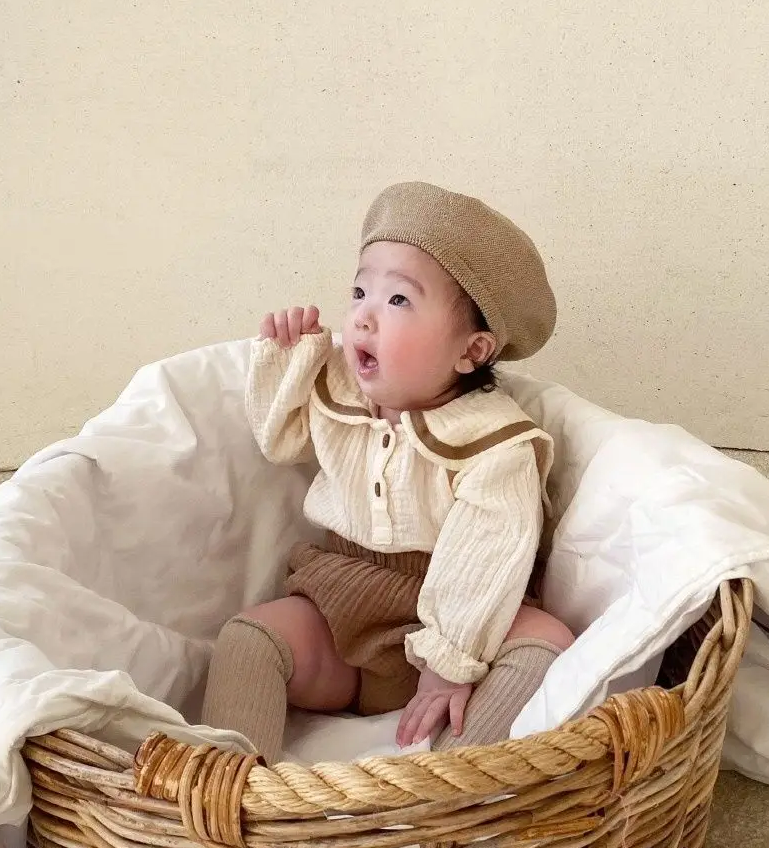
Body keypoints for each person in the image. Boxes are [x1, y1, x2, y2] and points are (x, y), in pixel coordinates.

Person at [200, 181, 574, 763]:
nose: (364, 319)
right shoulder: (340, 390)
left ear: (471, 352)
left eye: (398, 300)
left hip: (463, 618)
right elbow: (281, 440)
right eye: (359, 292)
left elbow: (490, 553)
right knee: (249, 637)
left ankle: (447, 792)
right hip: (343, 604)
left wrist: (448, 667)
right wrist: (286, 360)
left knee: (546, 642)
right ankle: (240, 788)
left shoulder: (495, 441)